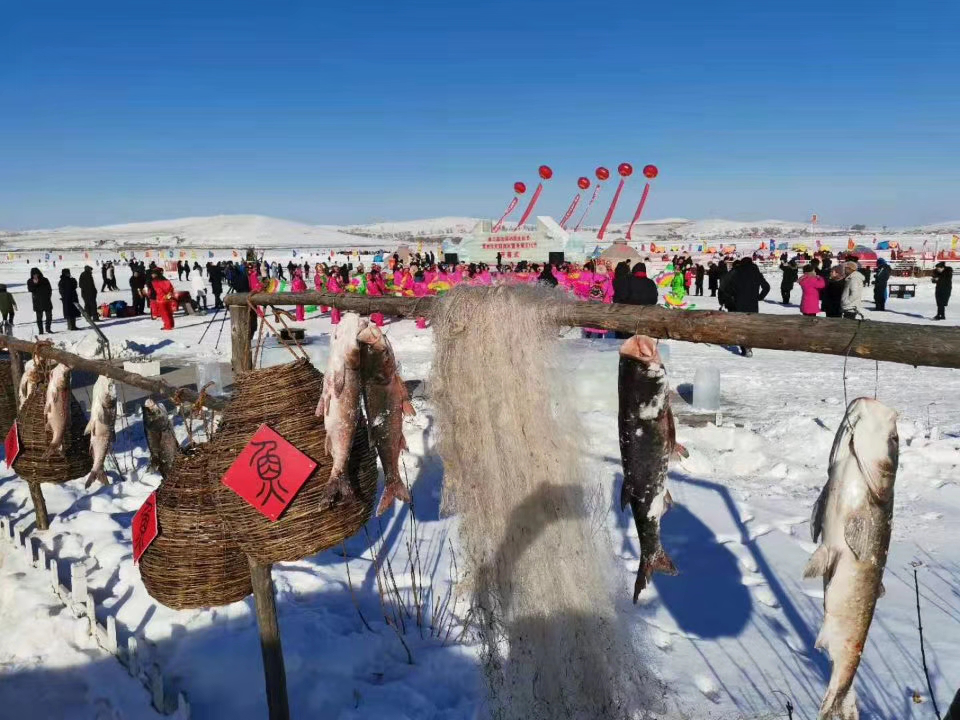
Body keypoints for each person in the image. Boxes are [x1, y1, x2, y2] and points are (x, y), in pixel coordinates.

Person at [724, 257, 769, 357]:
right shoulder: (756, 272)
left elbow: (728, 288)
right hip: (753, 304)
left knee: (741, 326)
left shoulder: (737, 272)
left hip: (739, 303)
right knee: (751, 327)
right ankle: (749, 346)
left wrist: (733, 296)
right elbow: (766, 287)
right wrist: (759, 297)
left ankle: (744, 347)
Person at [27, 268, 53, 335]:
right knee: (39, 317)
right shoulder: (30, 281)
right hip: (37, 301)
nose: (35, 275)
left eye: (36, 274)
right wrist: (35, 283)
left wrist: (48, 296)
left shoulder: (45, 280)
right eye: (34, 274)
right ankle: (41, 331)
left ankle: (48, 328)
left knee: (49, 316)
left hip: (46, 300)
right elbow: (30, 289)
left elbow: (49, 289)